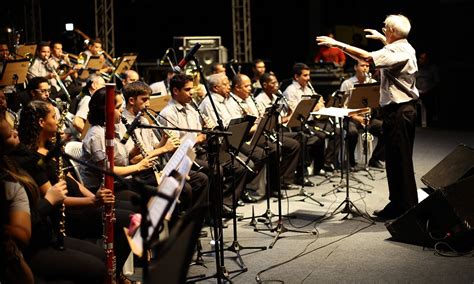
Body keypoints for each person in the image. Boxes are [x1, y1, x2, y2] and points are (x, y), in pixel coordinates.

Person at [317, 14, 419, 220]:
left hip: (400, 111)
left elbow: (366, 58)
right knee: (394, 160)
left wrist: (337, 44)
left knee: (401, 161)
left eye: (385, 28)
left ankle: (407, 209)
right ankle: (398, 204)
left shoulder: (398, 52)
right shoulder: (406, 46)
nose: (382, 29)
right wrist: (383, 40)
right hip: (400, 110)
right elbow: (391, 49)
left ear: (391, 31)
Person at [1, 107, 107, 283]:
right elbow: (22, 233)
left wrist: (93, 198)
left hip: (47, 234)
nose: (15, 132)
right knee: (97, 268)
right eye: (9, 134)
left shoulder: (23, 158)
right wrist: (50, 201)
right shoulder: (13, 171)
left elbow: (67, 179)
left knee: (100, 256)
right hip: (30, 249)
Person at [339, 60, 385, 169]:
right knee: (352, 132)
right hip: (351, 118)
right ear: (355, 67)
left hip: (368, 118)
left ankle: (376, 158)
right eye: (362, 65)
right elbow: (342, 106)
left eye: (367, 66)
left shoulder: (372, 82)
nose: (365, 68)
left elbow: (377, 103)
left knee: (387, 128)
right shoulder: (347, 83)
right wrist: (357, 117)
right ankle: (350, 161)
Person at [416, 51, 439, 126]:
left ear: (427, 60)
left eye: (422, 58)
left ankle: (429, 123)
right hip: (417, 92)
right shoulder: (416, 68)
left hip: (428, 92)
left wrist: (427, 90)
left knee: (429, 103)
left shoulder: (432, 68)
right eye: (420, 58)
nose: (420, 60)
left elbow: (436, 82)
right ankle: (417, 123)